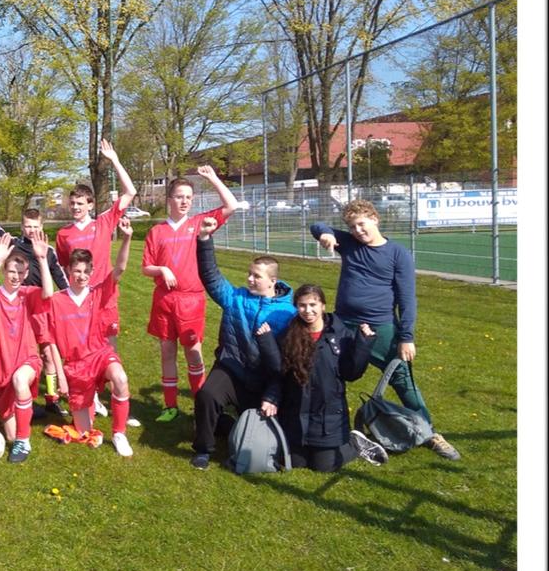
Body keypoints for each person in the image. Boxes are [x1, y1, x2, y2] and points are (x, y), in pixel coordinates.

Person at [311, 199, 461, 460]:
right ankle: (330, 427)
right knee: (329, 371)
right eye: (352, 226)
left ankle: (428, 432)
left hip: (381, 327)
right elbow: (316, 225)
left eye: (361, 223)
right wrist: (324, 232)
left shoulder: (397, 253)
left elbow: (407, 299)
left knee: (402, 378)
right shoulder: (348, 243)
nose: (358, 230)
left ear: (375, 219)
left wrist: (406, 337)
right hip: (345, 325)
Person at [190, 220, 297, 470]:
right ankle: (204, 449)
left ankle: (226, 424)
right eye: (249, 274)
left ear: (272, 281)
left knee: (257, 426)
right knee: (206, 395)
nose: (249, 279)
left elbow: (285, 363)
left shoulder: (288, 313)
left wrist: (273, 395)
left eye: (256, 276)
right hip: (232, 367)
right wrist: (204, 240)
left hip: (264, 378)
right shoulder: (236, 297)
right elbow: (211, 276)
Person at [255, 284, 390, 471]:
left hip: (328, 416)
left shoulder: (340, 334)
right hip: (297, 413)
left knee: (324, 466)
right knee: (294, 463)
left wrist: (363, 344)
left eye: (313, 305)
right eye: (302, 305)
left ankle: (355, 443)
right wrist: (271, 397)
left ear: (323, 306)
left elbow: (351, 374)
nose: (308, 311)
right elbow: (280, 373)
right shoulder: (289, 335)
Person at [142, 166, 239, 423]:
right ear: (169, 199)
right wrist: (161, 269)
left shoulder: (199, 224)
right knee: (167, 352)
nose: (184, 201)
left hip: (191, 300)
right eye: (179, 196)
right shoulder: (156, 231)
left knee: (193, 352)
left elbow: (231, 205)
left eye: (188, 197)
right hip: (164, 301)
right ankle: (170, 405)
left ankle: (201, 404)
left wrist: (212, 178)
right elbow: (145, 267)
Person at [0, 183, 70, 419]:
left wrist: (73, 302)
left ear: (41, 226)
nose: (31, 230)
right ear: (22, 226)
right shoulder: (14, 244)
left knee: (47, 354)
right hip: (17, 307)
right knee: (20, 353)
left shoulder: (48, 250)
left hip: (40, 307)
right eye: (27, 226)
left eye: (36, 226)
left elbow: (61, 281)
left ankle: (52, 399)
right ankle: (21, 400)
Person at [54, 139, 137, 416]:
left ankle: (116, 402)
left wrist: (114, 160)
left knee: (110, 349)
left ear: (90, 203)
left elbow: (130, 191)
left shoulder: (103, 221)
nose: (75, 207)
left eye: (80, 203)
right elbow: (66, 270)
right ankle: (93, 398)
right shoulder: (64, 234)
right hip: (82, 303)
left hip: (106, 296)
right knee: (86, 351)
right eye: (72, 203)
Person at [45, 218, 137, 457]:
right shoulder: (56, 300)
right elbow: (51, 342)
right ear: (68, 271)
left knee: (121, 378)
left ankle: (119, 434)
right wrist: (61, 377)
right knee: (85, 432)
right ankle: (89, 409)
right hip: (75, 367)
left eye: (86, 271)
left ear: (92, 272)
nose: (81, 275)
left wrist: (126, 238)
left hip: (99, 354)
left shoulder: (97, 293)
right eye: (77, 270)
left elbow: (120, 269)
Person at [0, 231, 57, 463]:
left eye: (20, 273)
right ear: (5, 272)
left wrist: (42, 260)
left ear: (26, 275)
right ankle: (25, 415)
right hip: (2, 367)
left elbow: (49, 293)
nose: (15, 277)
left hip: (27, 360)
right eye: (11, 271)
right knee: (10, 434)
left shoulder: (28, 294)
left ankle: (25, 441)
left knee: (20, 382)